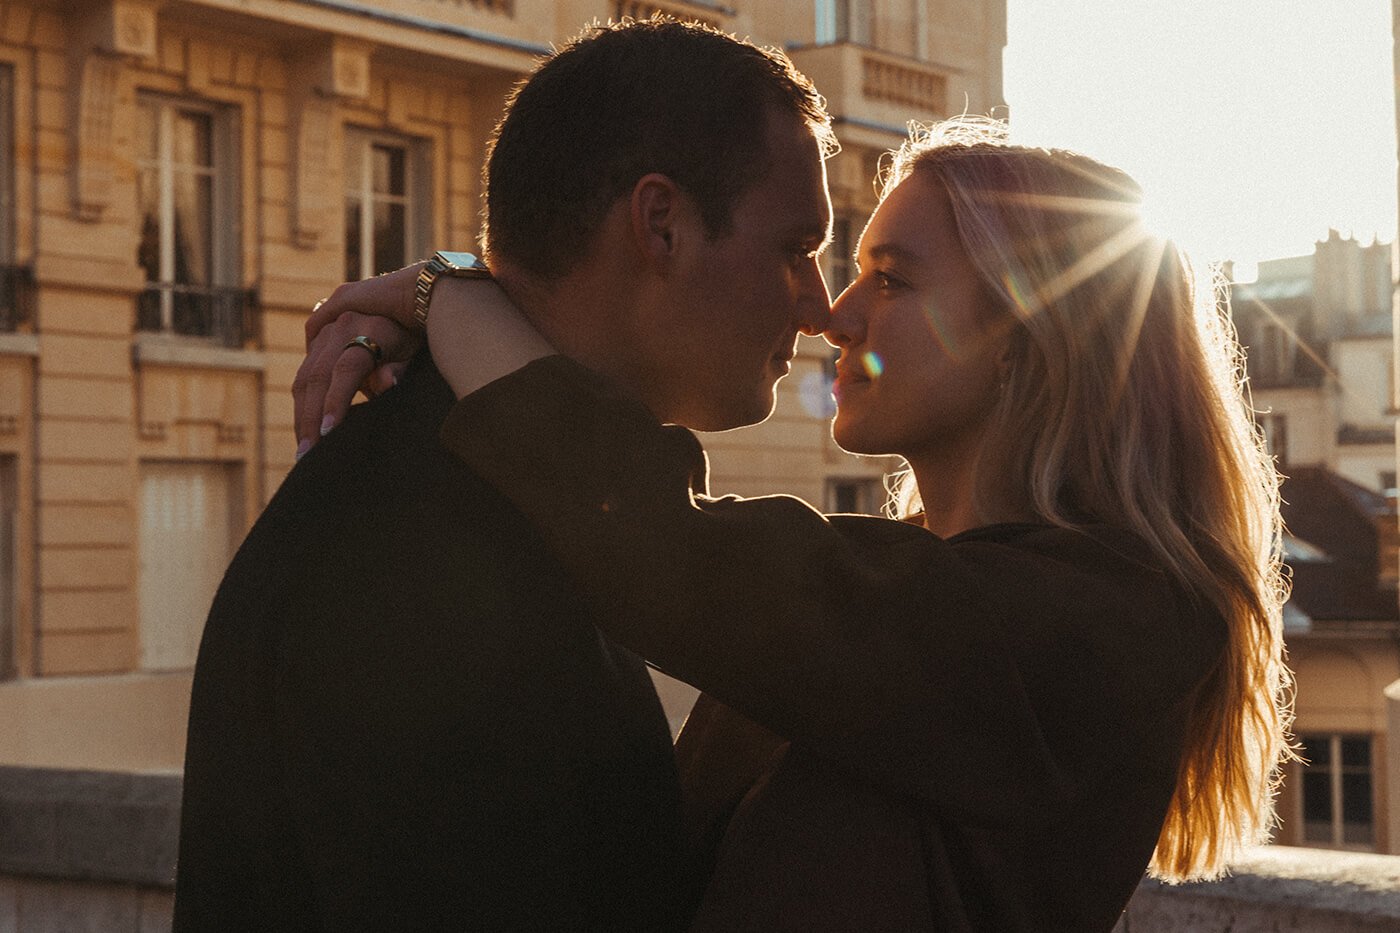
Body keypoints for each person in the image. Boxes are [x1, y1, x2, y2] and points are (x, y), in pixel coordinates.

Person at [299, 119, 1293, 931]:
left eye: (892, 280)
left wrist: (449, 294)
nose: (834, 315)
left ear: (1031, 334)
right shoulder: (900, 596)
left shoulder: (1106, 617)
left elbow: (655, 543)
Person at [173, 19, 835, 931]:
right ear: (662, 225)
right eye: (798, 247)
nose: (821, 303)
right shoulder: (427, 558)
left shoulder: (476, 492)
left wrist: (445, 287)